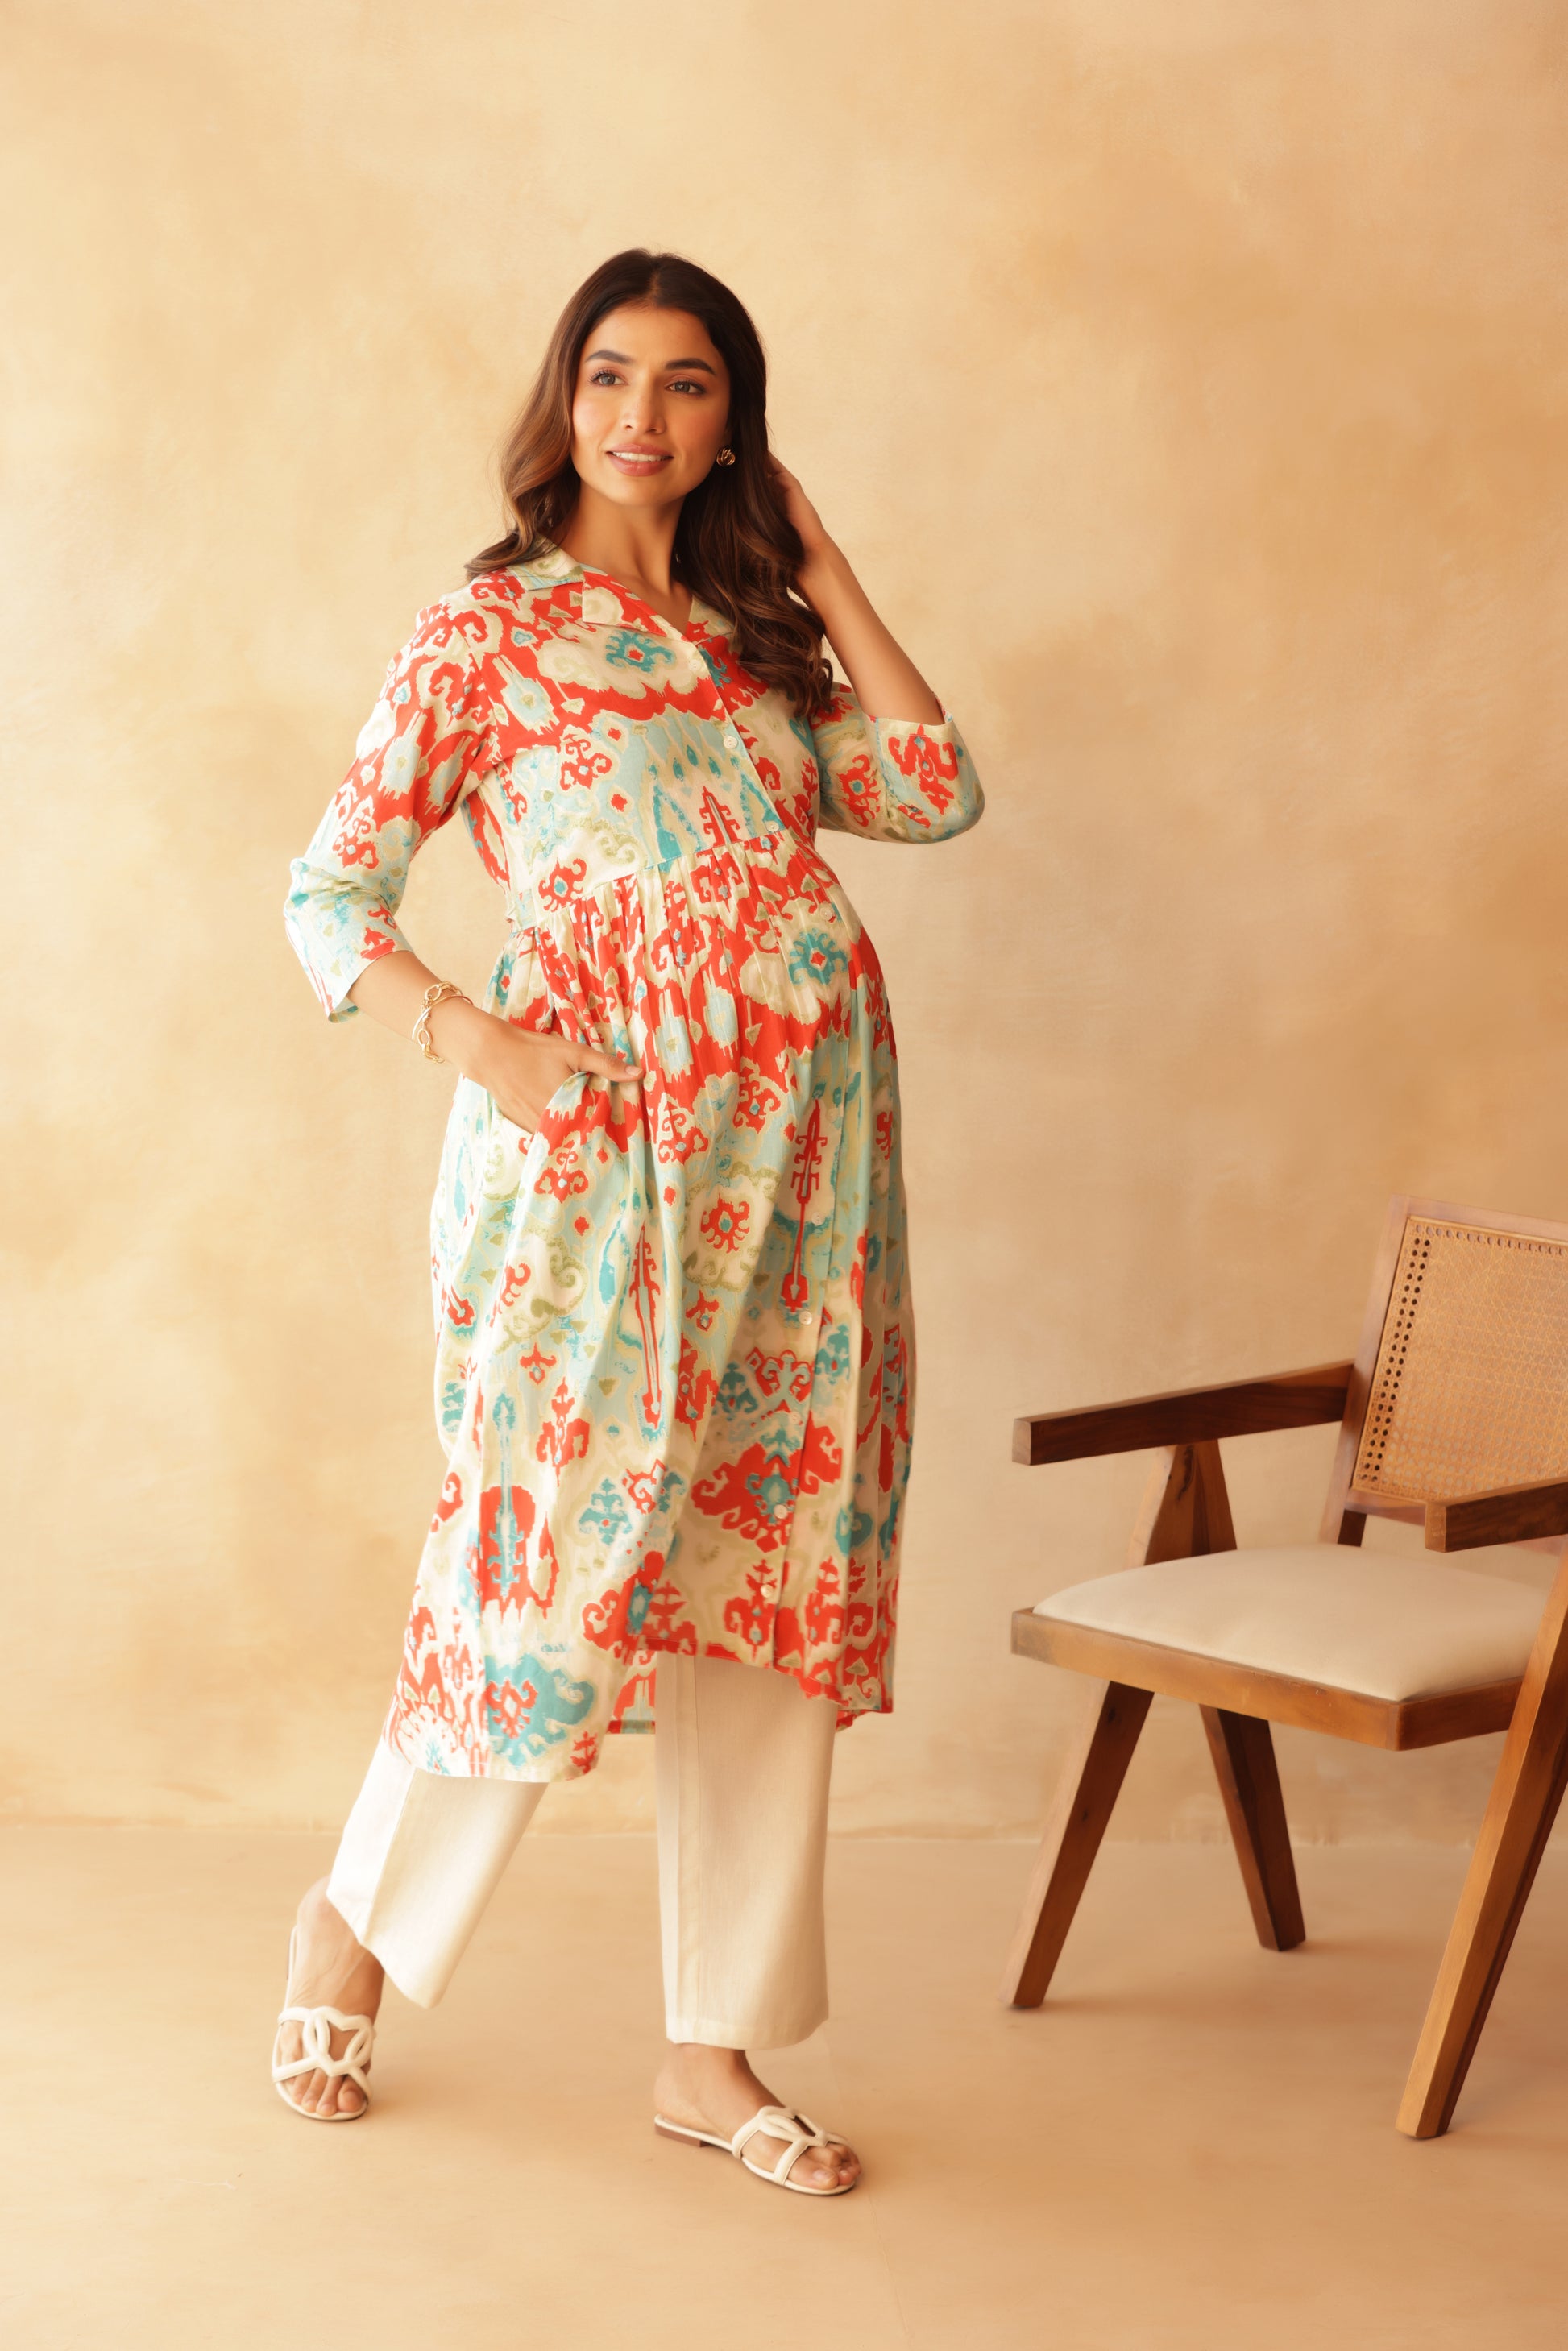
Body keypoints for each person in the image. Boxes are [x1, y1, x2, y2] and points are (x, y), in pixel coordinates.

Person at [275, 248, 984, 2196]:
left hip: (806, 1181)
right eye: (607, 374)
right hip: (598, 1175)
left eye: (685, 382)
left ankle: (709, 2046)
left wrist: (822, 564)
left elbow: (933, 790)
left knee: (766, 1574)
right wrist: (481, 1041)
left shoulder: (755, 646)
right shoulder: (487, 631)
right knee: (540, 1560)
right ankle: (352, 1927)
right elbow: (327, 894)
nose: (639, 414)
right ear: (563, 397)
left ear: (730, 420)